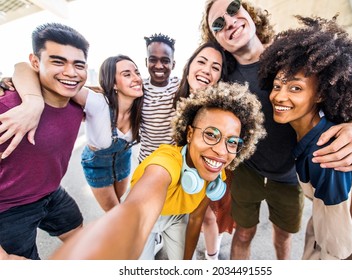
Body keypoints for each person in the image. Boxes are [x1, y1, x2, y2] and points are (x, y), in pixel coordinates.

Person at [200, 0, 352, 259]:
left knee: (283, 238)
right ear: (217, 40)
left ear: (249, 12)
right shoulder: (223, 74)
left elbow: (340, 90)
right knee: (243, 234)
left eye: (233, 8)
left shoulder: (292, 55)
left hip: (291, 175)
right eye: (218, 24)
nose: (230, 21)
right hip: (249, 171)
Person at [48, 81, 267, 260]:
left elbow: (195, 221)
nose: (220, 151)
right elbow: (137, 212)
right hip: (150, 219)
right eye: (210, 134)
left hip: (177, 219)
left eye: (232, 141)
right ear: (190, 134)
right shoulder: (165, 161)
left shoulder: (215, 169)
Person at [259, 15, 352, 259]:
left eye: (295, 88)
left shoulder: (326, 154)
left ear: (320, 94)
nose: (279, 96)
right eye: (277, 86)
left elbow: (338, 246)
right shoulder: (314, 129)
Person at [0, 22, 89, 260]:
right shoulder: (8, 109)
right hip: (8, 209)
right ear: (36, 62)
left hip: (51, 193)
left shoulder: (78, 106)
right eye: (58, 62)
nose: (71, 72)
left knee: (80, 237)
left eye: (78, 64)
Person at [11, 55, 144, 212]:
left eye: (137, 72)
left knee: (118, 204)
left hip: (123, 160)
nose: (137, 78)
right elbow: (23, 68)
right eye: (127, 74)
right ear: (113, 83)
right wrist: (31, 98)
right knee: (115, 212)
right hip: (98, 164)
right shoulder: (97, 102)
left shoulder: (142, 104)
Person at [174, 41, 234, 260]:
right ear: (189, 66)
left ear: (219, 77)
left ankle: (211, 259)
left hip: (205, 172)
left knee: (205, 218)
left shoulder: (219, 108)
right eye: (201, 61)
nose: (207, 70)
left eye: (215, 67)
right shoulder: (174, 95)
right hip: (177, 170)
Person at [139, 33, 179, 162]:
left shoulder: (180, 86)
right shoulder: (138, 88)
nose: (159, 66)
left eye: (165, 61)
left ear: (173, 64)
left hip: (171, 160)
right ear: (146, 62)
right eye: (153, 59)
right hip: (146, 159)